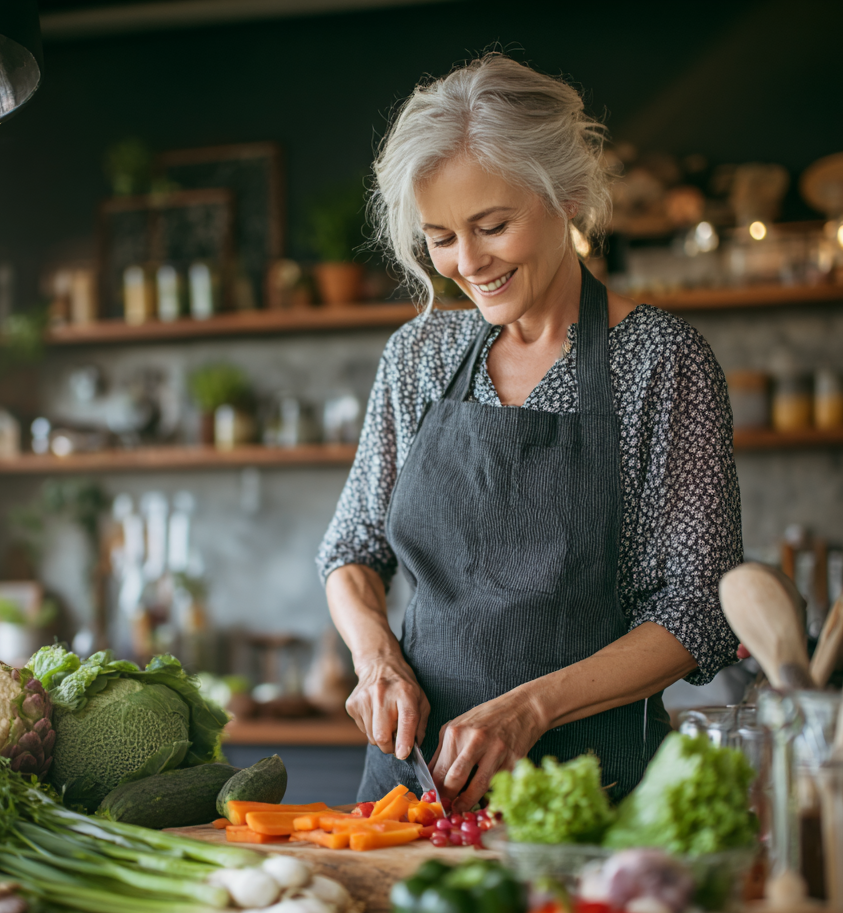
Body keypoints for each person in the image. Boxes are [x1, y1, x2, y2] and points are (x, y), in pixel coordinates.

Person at [316, 54, 742, 812]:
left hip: (593, 795)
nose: (467, 263)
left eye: (493, 226)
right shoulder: (419, 355)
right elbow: (351, 552)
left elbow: (698, 610)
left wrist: (529, 710)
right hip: (411, 795)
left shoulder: (660, 362)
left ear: (567, 198)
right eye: (441, 237)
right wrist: (376, 658)